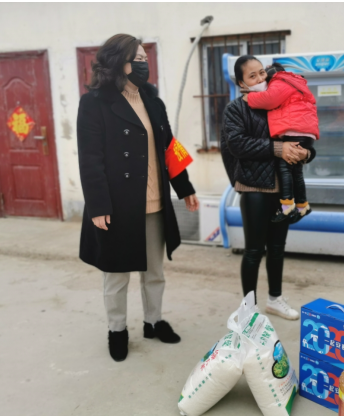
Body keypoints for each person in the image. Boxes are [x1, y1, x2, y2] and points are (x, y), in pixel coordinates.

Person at [77, 34, 199, 362]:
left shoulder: (153, 102)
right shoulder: (95, 103)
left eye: (146, 58)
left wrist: (185, 187)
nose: (145, 64)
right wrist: (98, 206)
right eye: (139, 59)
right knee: (116, 274)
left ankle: (153, 321)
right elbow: (90, 159)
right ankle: (117, 329)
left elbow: (170, 148)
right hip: (117, 206)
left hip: (156, 202)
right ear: (120, 62)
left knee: (154, 272)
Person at [220, 55, 316, 320]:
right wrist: (277, 149)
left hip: (283, 191)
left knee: (277, 248)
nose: (261, 78)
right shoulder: (236, 109)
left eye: (262, 72)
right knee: (253, 250)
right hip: (254, 188)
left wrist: (307, 154)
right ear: (241, 83)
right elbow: (236, 145)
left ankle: (275, 299)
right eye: (252, 76)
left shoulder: (282, 100)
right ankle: (249, 309)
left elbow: (302, 136)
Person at [243, 63, 319, 223]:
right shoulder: (295, 81)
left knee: (284, 167)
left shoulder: (280, 81)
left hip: (294, 131)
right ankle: (302, 206)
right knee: (296, 171)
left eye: (264, 75)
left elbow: (269, 100)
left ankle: (287, 207)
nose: (262, 80)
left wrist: (249, 97)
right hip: (306, 132)